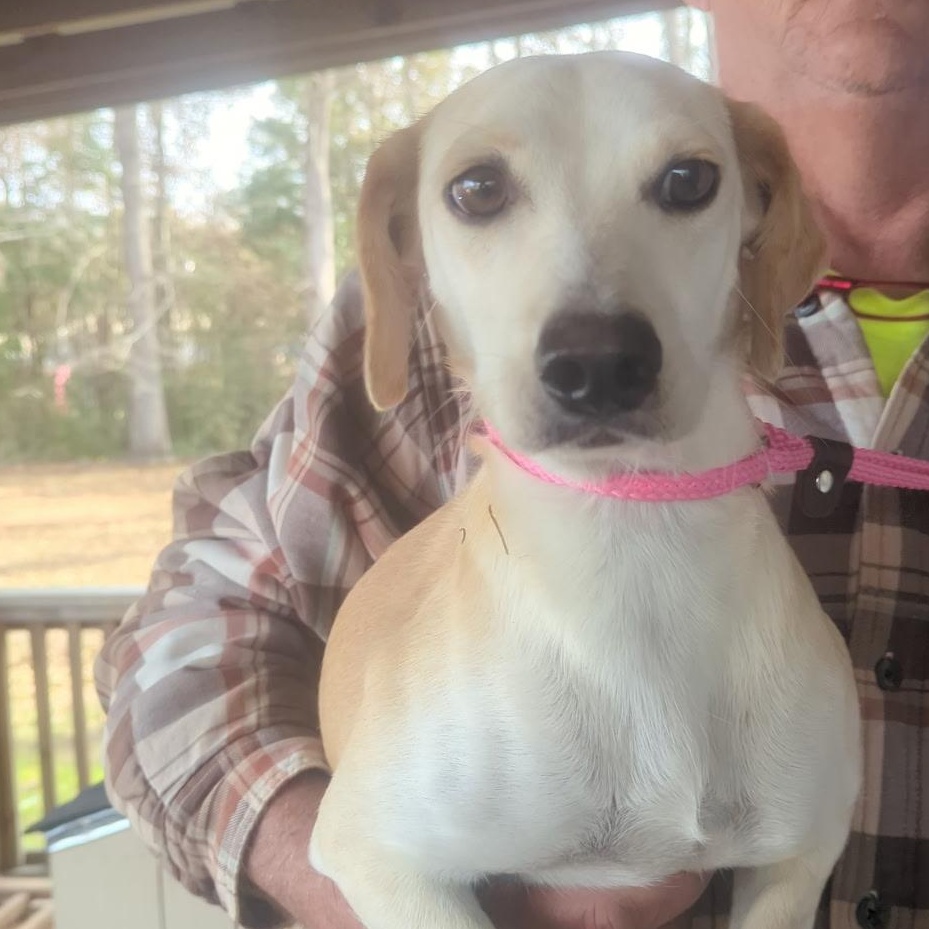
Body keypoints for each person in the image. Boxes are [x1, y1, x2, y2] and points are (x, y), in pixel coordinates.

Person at [95, 1, 929, 927]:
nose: (590, 328)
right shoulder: (417, 334)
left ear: (759, 219)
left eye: (683, 183)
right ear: (408, 253)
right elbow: (181, 647)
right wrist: (363, 884)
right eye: (482, 195)